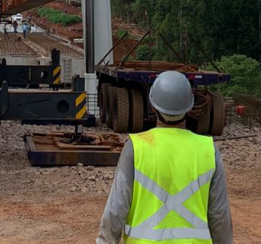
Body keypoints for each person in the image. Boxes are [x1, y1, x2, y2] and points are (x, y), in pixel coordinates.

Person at [97, 70, 233, 244]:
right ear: (190, 107)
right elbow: (220, 217)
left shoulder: (136, 147)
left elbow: (116, 210)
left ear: (153, 106)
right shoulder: (208, 150)